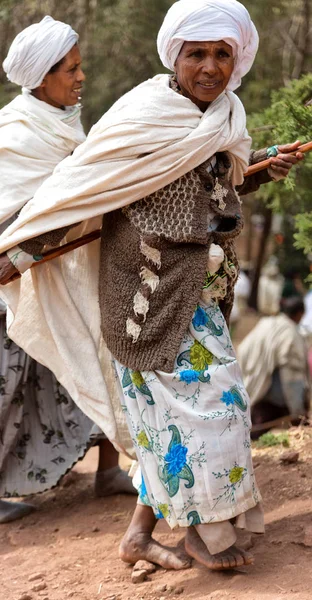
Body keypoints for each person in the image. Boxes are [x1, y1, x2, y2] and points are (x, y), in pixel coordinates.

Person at [0, 0, 303, 570]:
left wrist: (257, 166)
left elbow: (210, 190)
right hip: (146, 299)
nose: (210, 67)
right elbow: (78, 194)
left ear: (237, 60)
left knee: (176, 420)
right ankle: (200, 534)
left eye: (222, 54)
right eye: (197, 54)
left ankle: (142, 536)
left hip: (201, 296)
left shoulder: (225, 115)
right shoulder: (144, 115)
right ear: (175, 56)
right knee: (213, 411)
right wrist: (15, 255)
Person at [0, 16, 135, 524]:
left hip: (69, 267)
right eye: (71, 70)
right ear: (40, 77)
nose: (81, 78)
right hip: (16, 280)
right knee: (8, 381)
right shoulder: (14, 132)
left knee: (98, 354)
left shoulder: (62, 119)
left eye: (81, 68)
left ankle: (109, 471)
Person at [238, 296, 310, 437]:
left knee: (256, 424)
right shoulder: (290, 333)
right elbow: (291, 374)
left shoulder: (266, 323)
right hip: (274, 393)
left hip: (254, 382)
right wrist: (297, 409)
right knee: (265, 424)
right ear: (299, 313)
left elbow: (243, 348)